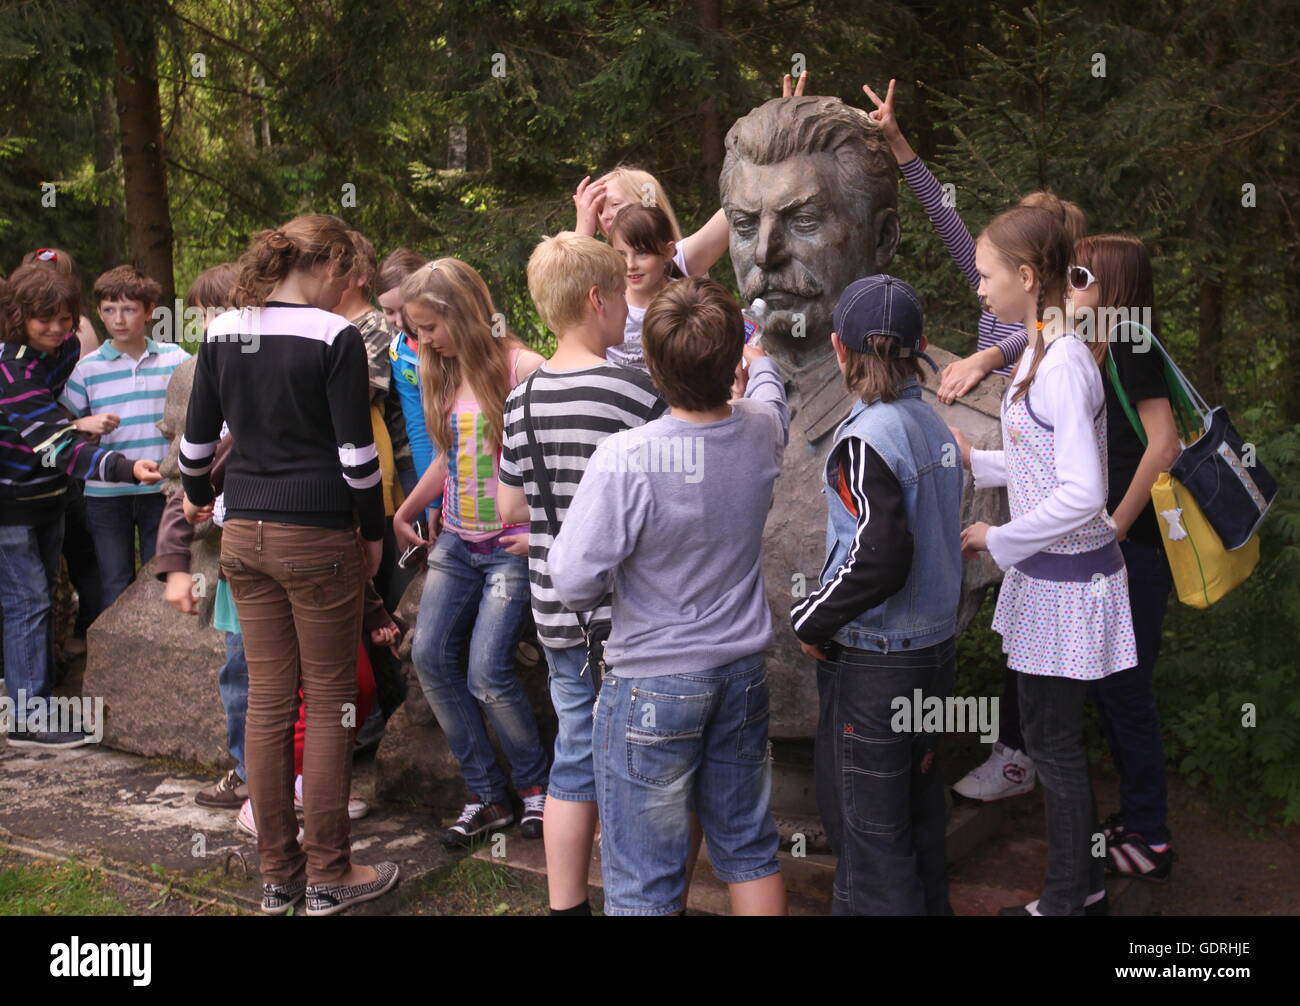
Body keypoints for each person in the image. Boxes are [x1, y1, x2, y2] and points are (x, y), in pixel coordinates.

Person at [863, 77, 1089, 801]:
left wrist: (993, 356)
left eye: (997, 268)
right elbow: (942, 212)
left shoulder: (1059, 345)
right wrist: (896, 139)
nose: (982, 282)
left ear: (1035, 266)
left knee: (1022, 624)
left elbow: (1057, 372)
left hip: (1027, 484)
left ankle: (1019, 753)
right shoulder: (1000, 284)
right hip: (997, 451)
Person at [549, 277, 790, 917]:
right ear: (732, 358)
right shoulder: (763, 432)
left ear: (652, 365)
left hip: (651, 683)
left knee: (644, 882)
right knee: (749, 850)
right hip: (740, 674)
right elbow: (769, 395)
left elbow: (571, 579)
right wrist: (759, 360)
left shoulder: (626, 457)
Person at [180, 213, 399, 916]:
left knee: (268, 705)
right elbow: (356, 456)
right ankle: (331, 870)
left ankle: (279, 877)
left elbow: (195, 446)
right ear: (330, 262)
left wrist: (194, 500)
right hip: (319, 534)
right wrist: (372, 533)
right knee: (330, 705)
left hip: (244, 533)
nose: (350, 287)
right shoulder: (332, 336)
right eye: (349, 272)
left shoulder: (222, 332)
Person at [949, 206, 1137, 916]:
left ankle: (1068, 897)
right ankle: (1079, 885)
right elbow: (1042, 456)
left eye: (987, 275)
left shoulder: (1059, 362)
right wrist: (980, 461)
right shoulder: (1037, 347)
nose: (979, 289)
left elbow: (1085, 491)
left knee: (1053, 748)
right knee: (1051, 740)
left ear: (1027, 278)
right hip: (1048, 581)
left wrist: (1000, 541)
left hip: (1065, 586)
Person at [496, 231, 666, 915]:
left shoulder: (524, 398)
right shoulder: (635, 392)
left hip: (557, 612)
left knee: (574, 755)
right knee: (640, 763)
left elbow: (510, 505)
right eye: (622, 298)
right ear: (597, 299)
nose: (628, 312)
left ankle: (566, 906)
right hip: (628, 615)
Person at [790, 275, 962, 915]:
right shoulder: (935, 429)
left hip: (876, 665)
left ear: (838, 349)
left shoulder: (865, 440)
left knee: (868, 838)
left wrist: (811, 618)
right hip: (934, 655)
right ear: (920, 350)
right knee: (917, 817)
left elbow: (881, 554)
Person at [392, 258, 550, 848]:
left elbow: (559, 458)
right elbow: (447, 455)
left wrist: (540, 527)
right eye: (416, 329)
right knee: (430, 655)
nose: (422, 340)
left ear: (463, 312)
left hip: (509, 547)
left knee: (488, 669)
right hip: (457, 541)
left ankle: (536, 790)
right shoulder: (440, 370)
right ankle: (487, 796)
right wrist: (407, 510)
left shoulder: (523, 369)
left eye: (430, 326)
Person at [0, 265, 160, 748]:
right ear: (18, 317)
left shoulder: (65, 350)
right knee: (26, 604)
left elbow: (64, 414)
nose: (55, 328)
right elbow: (58, 447)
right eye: (42, 319)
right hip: (13, 506)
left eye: (64, 318)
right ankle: (28, 717)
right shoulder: (13, 370)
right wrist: (125, 468)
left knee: (39, 601)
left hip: (48, 498)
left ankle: (30, 697)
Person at [1069, 234, 1180, 882]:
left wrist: (1115, 527)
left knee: (1127, 693)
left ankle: (1151, 838)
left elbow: (1162, 444)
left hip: (1134, 554)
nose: (1069, 284)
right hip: (1126, 553)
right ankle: (1139, 820)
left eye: (1080, 274)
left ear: (1112, 284)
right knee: (1114, 692)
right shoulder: (1103, 345)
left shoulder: (1132, 340)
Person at [61, 265, 186, 608]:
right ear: (99, 312)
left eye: (129, 309)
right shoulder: (86, 369)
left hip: (158, 487)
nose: (119, 319)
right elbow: (59, 427)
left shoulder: (175, 359)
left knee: (157, 574)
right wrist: (83, 423)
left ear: (148, 312)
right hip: (104, 493)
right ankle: (115, 656)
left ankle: (156, 653)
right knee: (114, 578)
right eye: (109, 310)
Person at [20, 246, 105, 654]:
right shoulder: (13, 355)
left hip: (60, 467)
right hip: (25, 474)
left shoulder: (74, 335)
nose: (55, 327)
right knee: (30, 592)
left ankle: (71, 642)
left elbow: (67, 399)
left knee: (63, 568)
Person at [573, 166, 730, 370]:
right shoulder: (598, 274)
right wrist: (583, 230)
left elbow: (733, 211)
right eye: (599, 210)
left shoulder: (680, 258)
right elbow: (562, 299)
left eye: (615, 205)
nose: (606, 216)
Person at [379, 248, 438, 498]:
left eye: (405, 309)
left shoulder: (451, 343)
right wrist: (431, 503)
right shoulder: (399, 351)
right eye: (389, 312)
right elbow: (418, 427)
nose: (400, 322)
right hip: (423, 465)